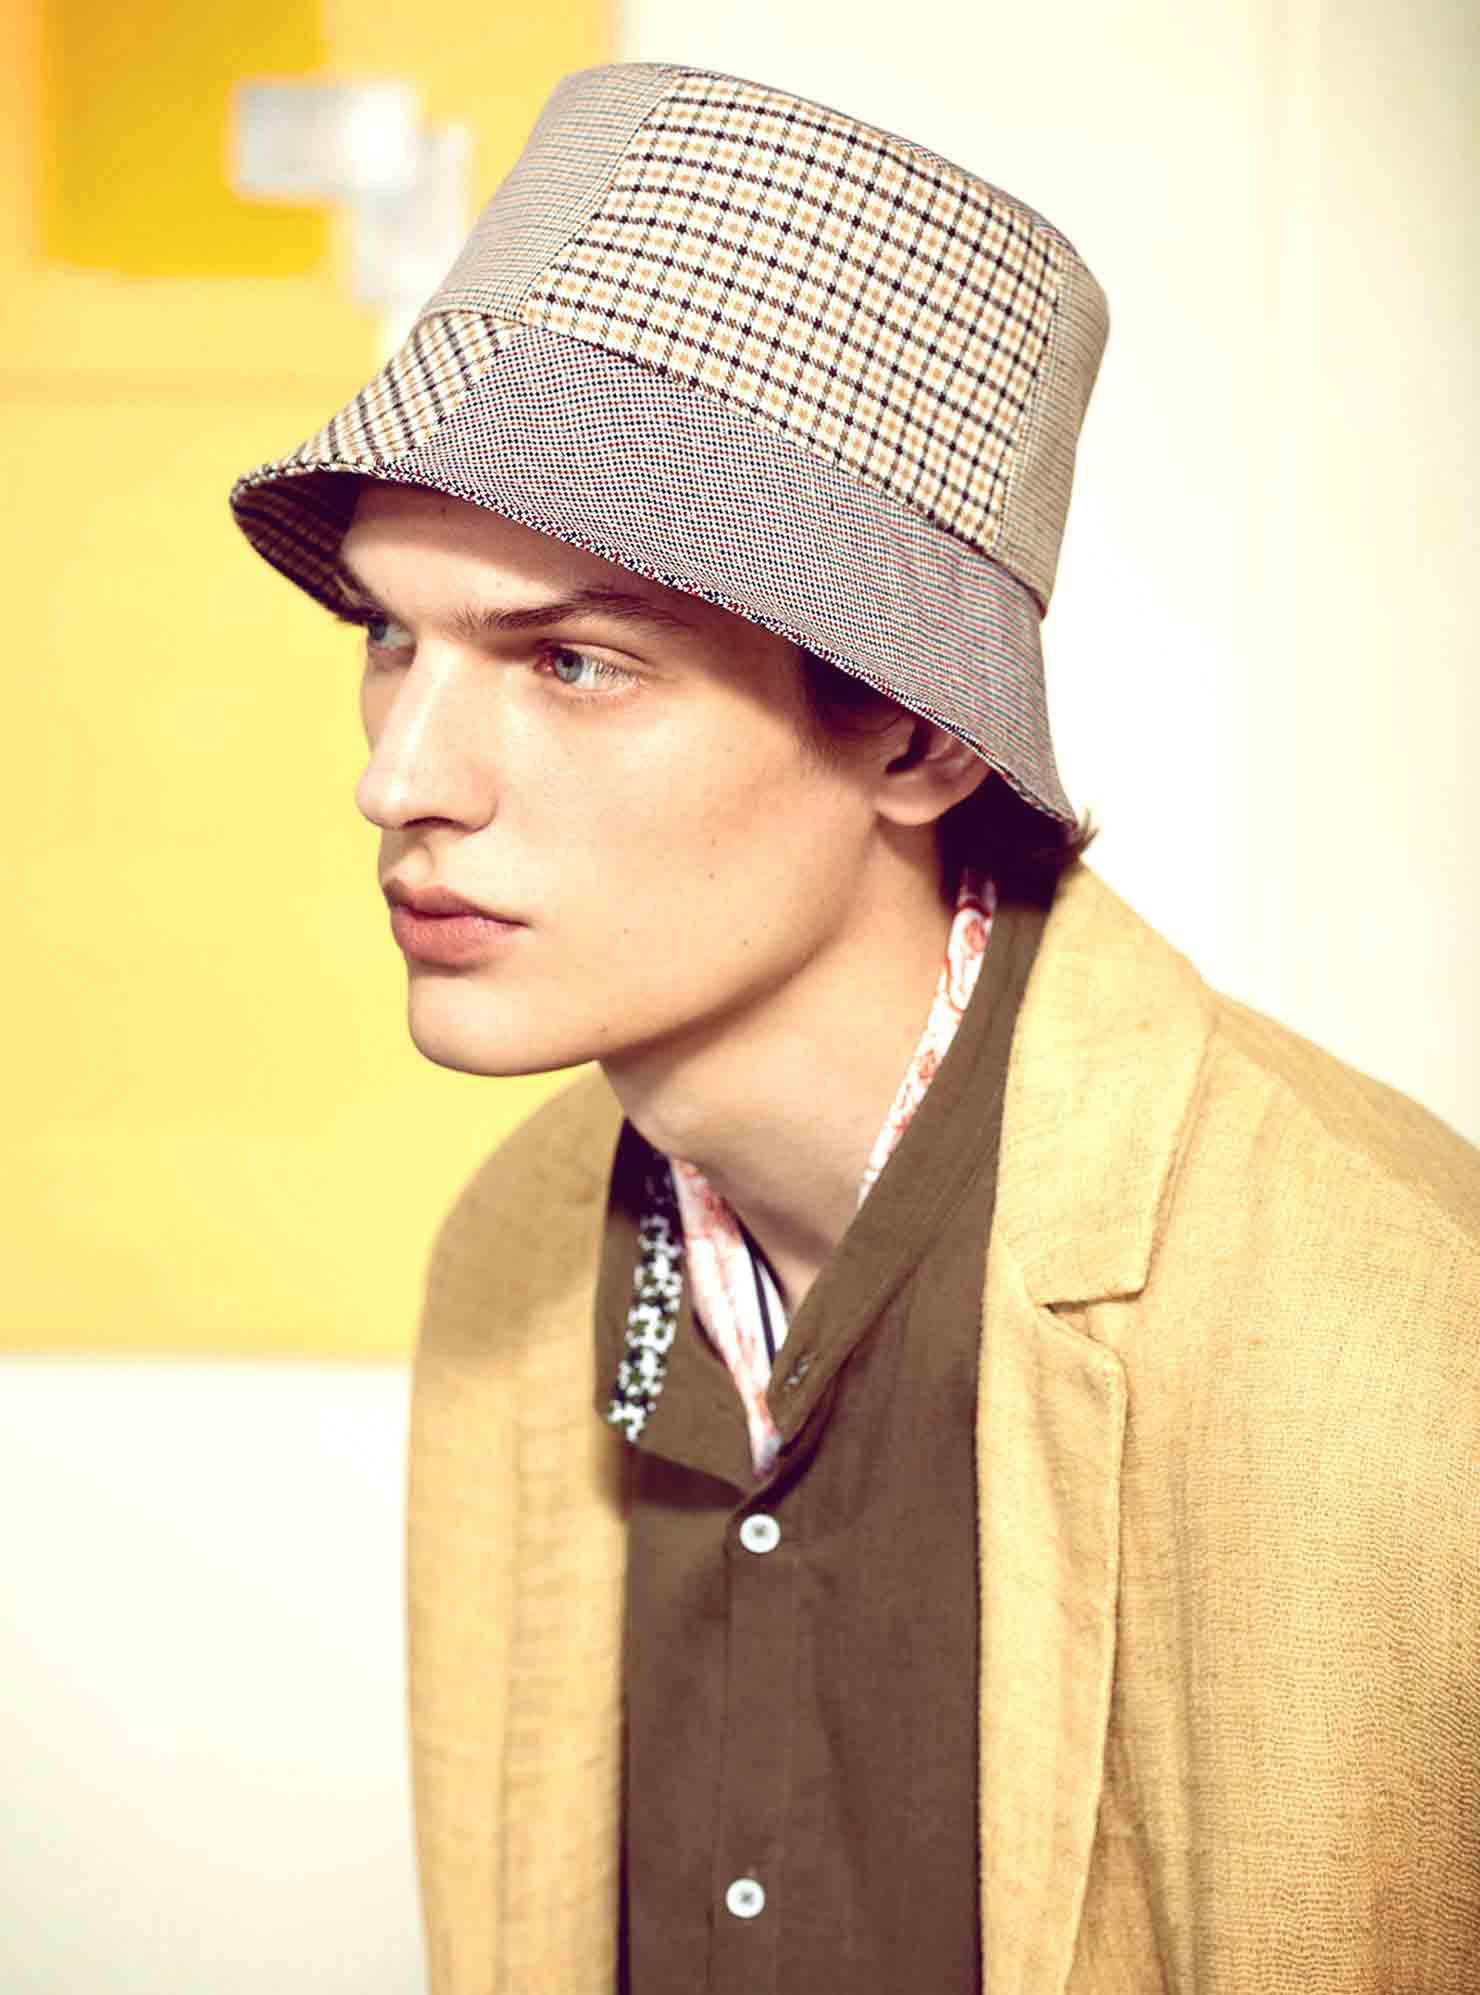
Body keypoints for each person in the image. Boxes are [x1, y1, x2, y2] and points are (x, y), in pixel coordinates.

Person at [228, 59, 1480, 1995]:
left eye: (574, 662)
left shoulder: (1377, 1328)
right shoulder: (514, 1257)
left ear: (913, 732)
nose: (401, 776)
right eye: (391, 636)